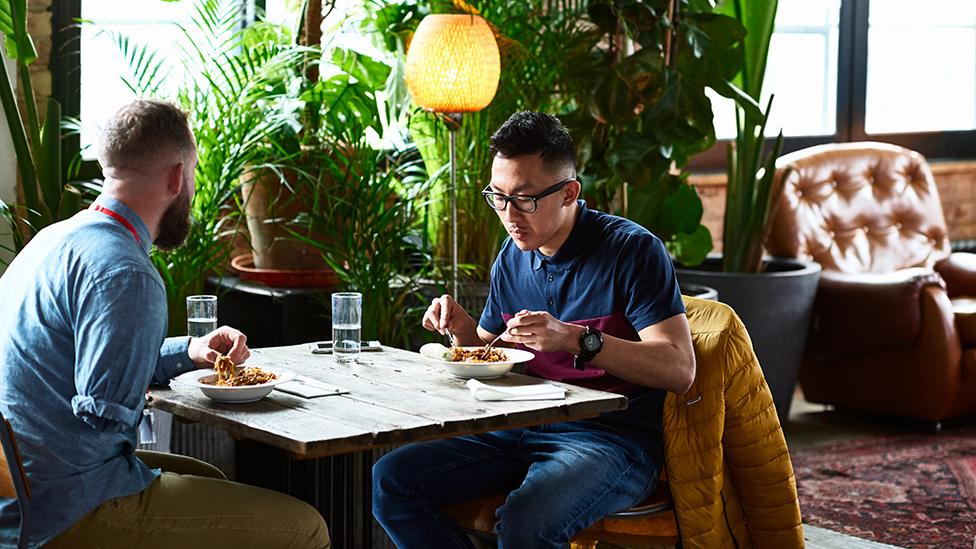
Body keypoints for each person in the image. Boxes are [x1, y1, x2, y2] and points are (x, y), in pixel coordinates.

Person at [0, 99, 330, 549]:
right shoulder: (126, 273)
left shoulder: (52, 240)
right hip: (69, 508)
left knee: (210, 477)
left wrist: (188, 351)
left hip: (19, 494)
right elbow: (105, 416)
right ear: (177, 176)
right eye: (192, 177)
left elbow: (87, 364)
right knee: (307, 528)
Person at [372, 111, 696, 548]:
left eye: (524, 199)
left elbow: (679, 368)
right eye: (498, 197)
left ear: (569, 193)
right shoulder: (512, 255)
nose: (509, 214)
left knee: (527, 521)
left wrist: (573, 338)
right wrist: (466, 334)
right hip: (520, 424)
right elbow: (495, 353)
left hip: (611, 439)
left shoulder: (632, 251)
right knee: (391, 479)